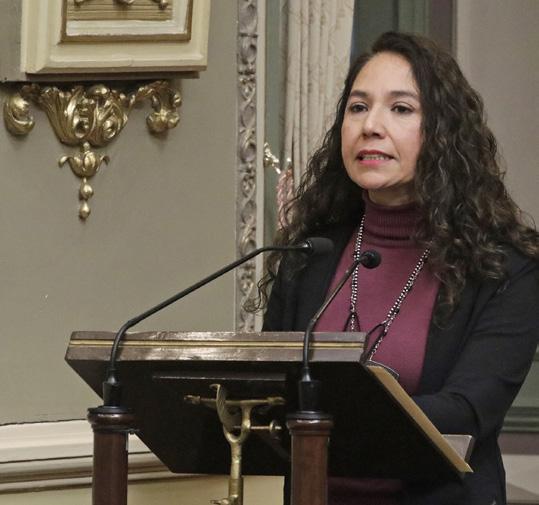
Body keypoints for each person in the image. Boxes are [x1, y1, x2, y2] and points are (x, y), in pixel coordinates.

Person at [260, 31, 539, 504]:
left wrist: (319, 421)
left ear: (443, 133)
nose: (371, 126)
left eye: (401, 108)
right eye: (357, 107)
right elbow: (269, 393)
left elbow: (466, 412)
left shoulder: (504, 268)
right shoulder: (310, 255)